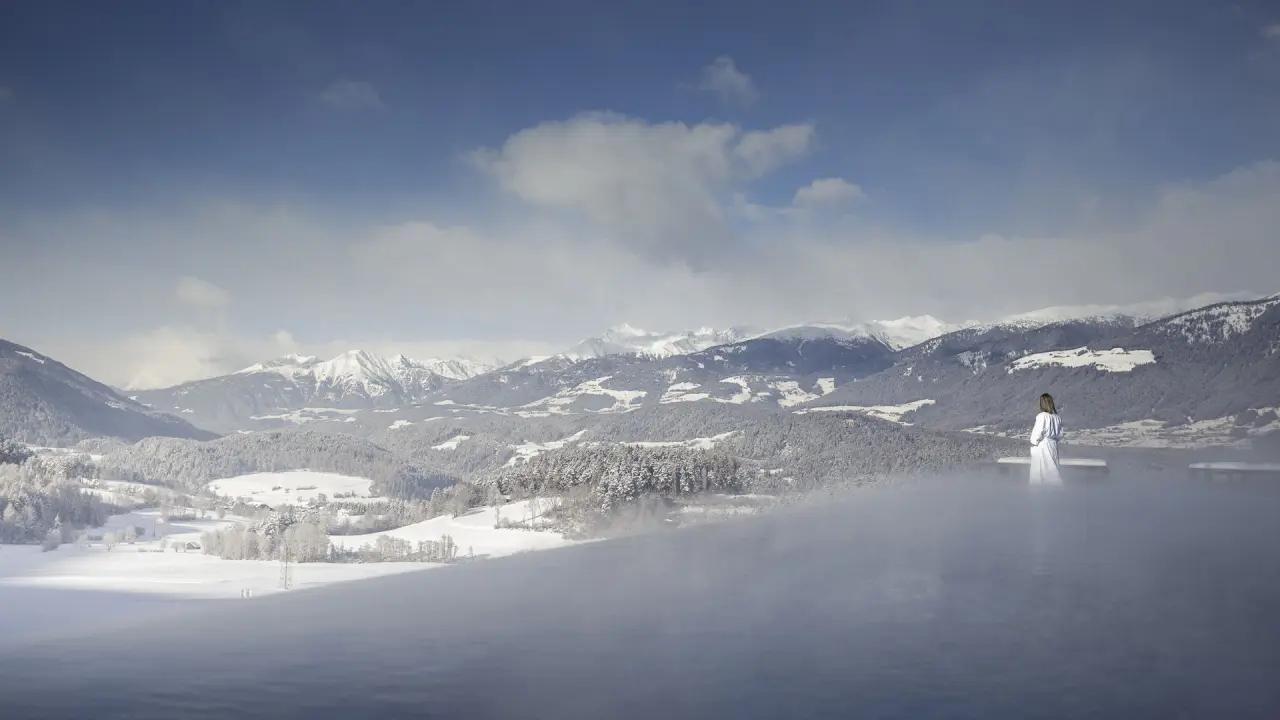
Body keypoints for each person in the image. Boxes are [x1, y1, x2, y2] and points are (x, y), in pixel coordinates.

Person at [1029, 393, 1064, 485]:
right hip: (1053, 445)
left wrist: (1034, 442)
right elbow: (1060, 434)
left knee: (1041, 471)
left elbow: (1037, 433)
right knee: (1053, 468)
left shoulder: (1042, 416)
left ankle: (1042, 490)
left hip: (1043, 445)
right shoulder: (1057, 417)